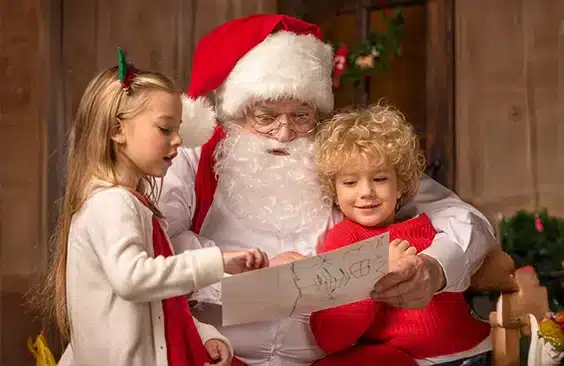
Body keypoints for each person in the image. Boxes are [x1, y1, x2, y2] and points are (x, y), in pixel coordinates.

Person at [161, 13, 515, 366]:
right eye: (266, 117)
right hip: (220, 353)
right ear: (235, 112)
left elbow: (465, 218)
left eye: (301, 116)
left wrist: (436, 269)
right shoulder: (193, 157)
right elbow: (158, 246)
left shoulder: (341, 157)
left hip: (332, 356)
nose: (285, 134)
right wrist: (242, 274)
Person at [44, 61, 268, 366]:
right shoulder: (111, 203)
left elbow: (159, 303)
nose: (177, 139)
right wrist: (218, 261)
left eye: (178, 129)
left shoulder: (137, 203)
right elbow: (134, 279)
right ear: (116, 130)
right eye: (165, 128)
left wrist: (203, 335)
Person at [310, 104, 492, 366]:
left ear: (401, 186)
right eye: (350, 182)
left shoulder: (428, 225)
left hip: (474, 352)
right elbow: (330, 336)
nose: (366, 192)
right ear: (334, 191)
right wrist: (373, 271)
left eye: (380, 179)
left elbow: (470, 241)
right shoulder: (342, 241)